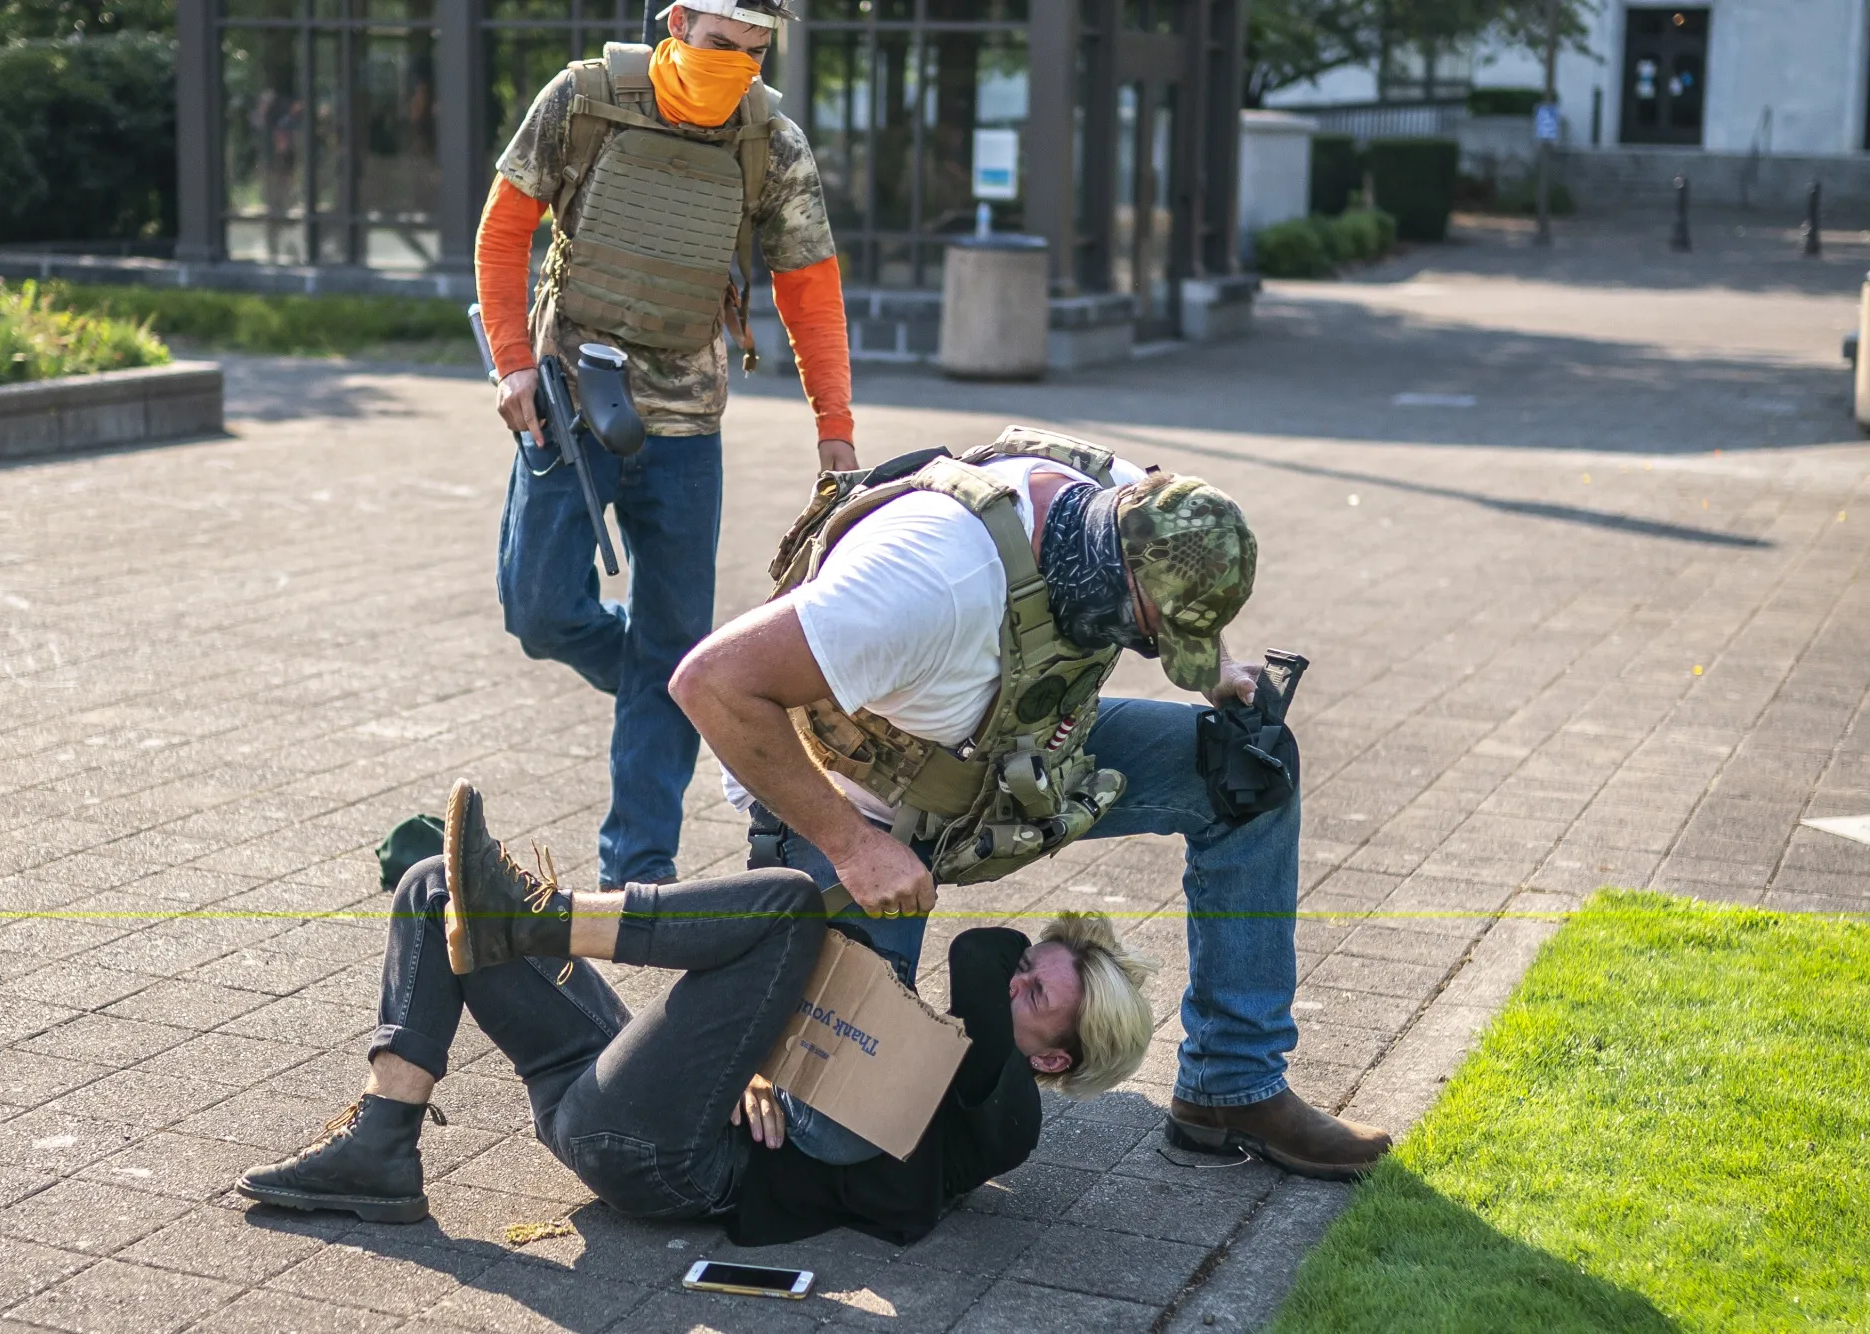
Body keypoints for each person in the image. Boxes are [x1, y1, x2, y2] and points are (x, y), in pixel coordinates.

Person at [668, 426, 1396, 1180]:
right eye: (1151, 635)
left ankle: (1232, 1087)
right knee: (840, 1131)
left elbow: (1168, 599)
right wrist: (851, 844)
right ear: (1110, 574)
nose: (1151, 653)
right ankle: (763, 1009)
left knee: (1249, 772)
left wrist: (1214, 669)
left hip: (1020, 758)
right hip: (866, 808)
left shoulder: (1127, 505)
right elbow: (711, 685)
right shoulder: (927, 581)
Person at [235, 779, 1155, 1245]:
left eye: (1036, 996)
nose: (1010, 982)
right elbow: (972, 968)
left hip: (678, 1169)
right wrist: (754, 1063)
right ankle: (380, 1144)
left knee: (792, 903)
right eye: (1029, 968)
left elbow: (977, 949)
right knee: (441, 887)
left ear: (1054, 1061)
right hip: (607, 1097)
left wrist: (1020, 955)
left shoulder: (1002, 1120)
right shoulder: (919, 1034)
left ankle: (546, 919)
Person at [473, 0, 854, 891]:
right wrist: (512, 363)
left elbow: (810, 287)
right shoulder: (586, 99)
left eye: (756, 54)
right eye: (723, 45)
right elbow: (504, 228)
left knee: (676, 635)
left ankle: (637, 868)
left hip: (688, 426)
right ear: (676, 23)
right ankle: (686, 698)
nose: (738, 68)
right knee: (540, 611)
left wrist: (834, 429)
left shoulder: (771, 140)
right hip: (568, 401)